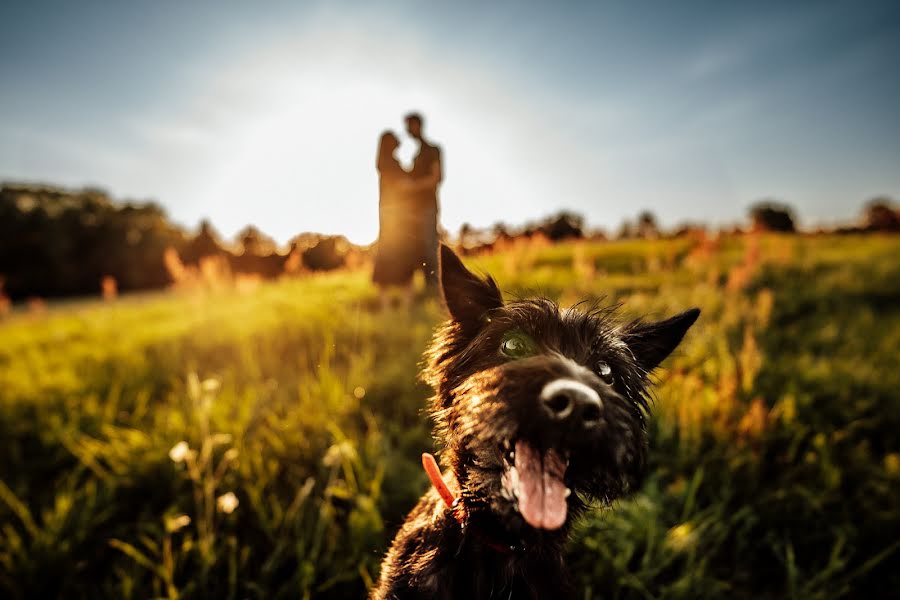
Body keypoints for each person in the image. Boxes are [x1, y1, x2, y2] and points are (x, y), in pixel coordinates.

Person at [372, 131, 418, 310]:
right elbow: (405, 185)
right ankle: (407, 306)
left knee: (387, 258)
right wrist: (423, 180)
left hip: (386, 217)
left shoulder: (383, 164)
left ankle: (386, 307)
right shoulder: (392, 164)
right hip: (399, 218)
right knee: (405, 259)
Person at [405, 112, 442, 288]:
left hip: (427, 207)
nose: (407, 130)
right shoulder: (416, 156)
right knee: (416, 248)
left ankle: (435, 288)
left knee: (429, 247)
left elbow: (436, 178)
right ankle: (425, 289)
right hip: (413, 210)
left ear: (418, 125)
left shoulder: (433, 150)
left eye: (410, 125)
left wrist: (412, 186)